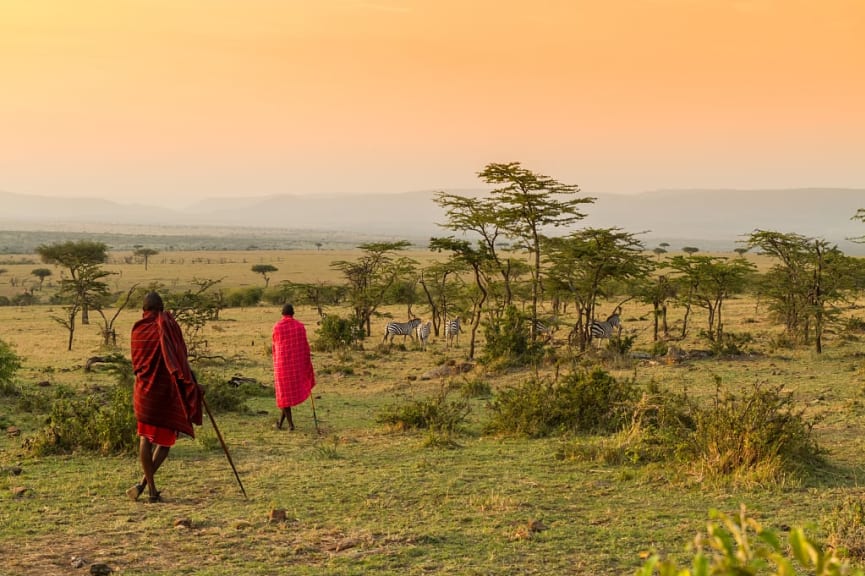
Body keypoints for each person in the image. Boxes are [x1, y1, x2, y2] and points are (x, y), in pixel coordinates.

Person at [127, 291, 203, 503]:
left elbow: (137, 362)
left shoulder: (137, 329)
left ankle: (146, 486)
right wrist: (190, 380)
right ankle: (149, 488)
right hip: (162, 392)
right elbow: (177, 358)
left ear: (144, 310)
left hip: (143, 391)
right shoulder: (165, 326)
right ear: (161, 309)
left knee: (145, 437)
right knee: (166, 442)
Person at [272, 303, 316, 430]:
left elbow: (275, 346)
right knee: (285, 397)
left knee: (284, 395)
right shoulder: (300, 327)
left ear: (282, 314)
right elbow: (305, 348)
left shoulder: (277, 327)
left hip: (281, 366)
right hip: (296, 366)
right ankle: (280, 424)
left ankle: (290, 425)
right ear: (293, 313)